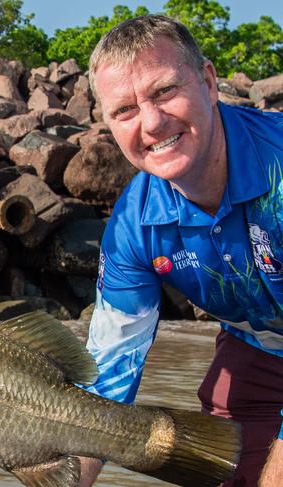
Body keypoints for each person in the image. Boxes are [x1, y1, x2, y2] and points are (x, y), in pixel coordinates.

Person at [76, 14, 283, 487]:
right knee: (224, 466)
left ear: (208, 81)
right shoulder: (134, 228)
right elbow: (105, 382)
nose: (151, 122)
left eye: (165, 91)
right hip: (261, 343)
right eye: (124, 110)